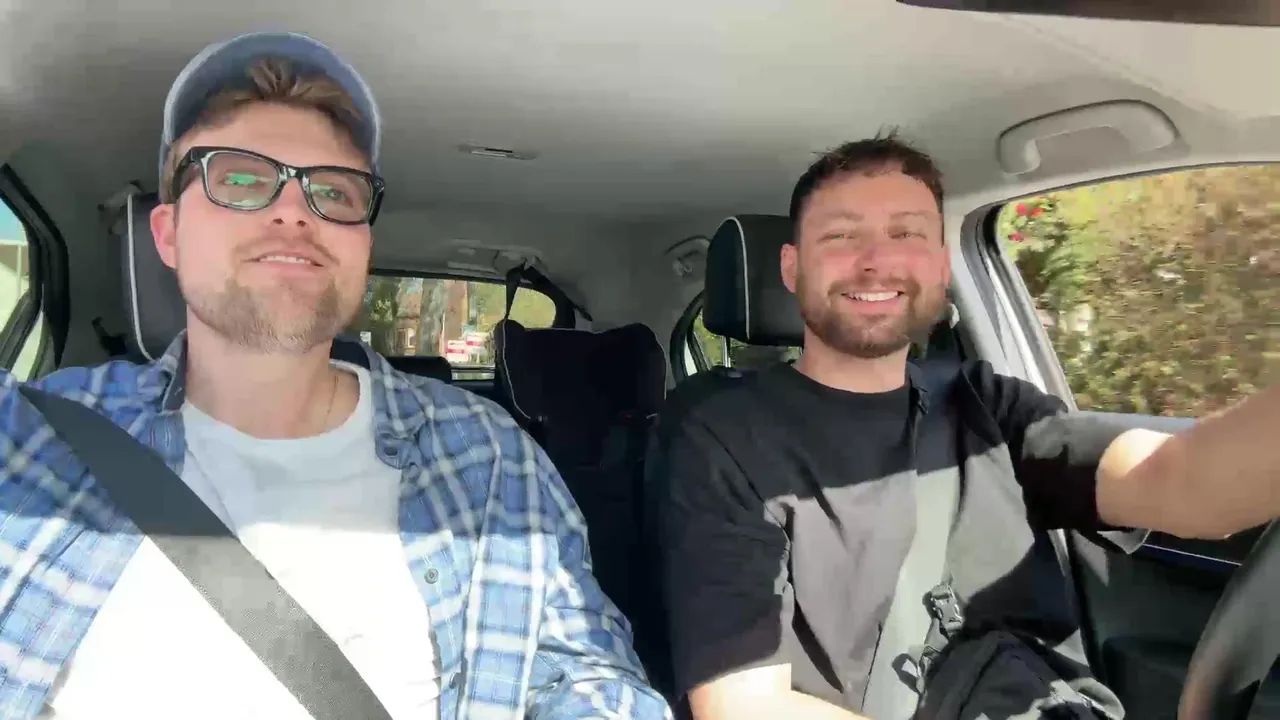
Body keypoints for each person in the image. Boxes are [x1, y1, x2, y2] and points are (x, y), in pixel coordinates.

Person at [0, 32, 668, 720]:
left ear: (362, 246)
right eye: (239, 179)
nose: (293, 210)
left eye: (333, 191)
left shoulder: (490, 460)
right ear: (167, 235)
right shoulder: (32, 437)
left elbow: (587, 681)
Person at [659, 132, 1280, 719]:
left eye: (906, 234)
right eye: (841, 236)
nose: (876, 262)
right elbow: (744, 705)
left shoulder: (988, 402)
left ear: (937, 266)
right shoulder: (723, 438)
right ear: (792, 268)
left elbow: (1182, 480)